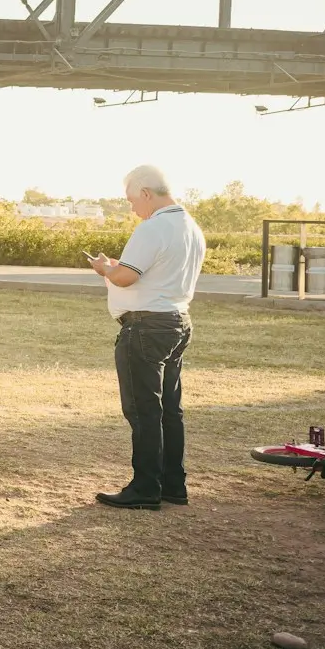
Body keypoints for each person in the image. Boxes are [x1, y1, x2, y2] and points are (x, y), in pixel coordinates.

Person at [87, 165, 205, 511]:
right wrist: (116, 268)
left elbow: (125, 277)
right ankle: (172, 484)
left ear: (146, 194)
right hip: (177, 320)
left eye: (130, 201)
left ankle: (144, 487)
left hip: (146, 326)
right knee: (170, 409)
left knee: (143, 411)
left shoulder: (153, 227)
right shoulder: (191, 226)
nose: (131, 208)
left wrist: (105, 268)